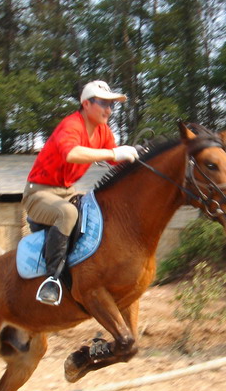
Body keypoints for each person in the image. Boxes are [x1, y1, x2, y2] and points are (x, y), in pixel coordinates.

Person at [22, 80, 139, 306]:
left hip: (67, 191)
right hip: (39, 193)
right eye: (103, 103)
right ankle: (52, 280)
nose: (109, 110)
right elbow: (72, 154)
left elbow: (115, 162)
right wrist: (114, 152)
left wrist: (138, 156)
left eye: (111, 105)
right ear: (86, 104)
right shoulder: (71, 125)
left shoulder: (103, 131)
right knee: (67, 214)